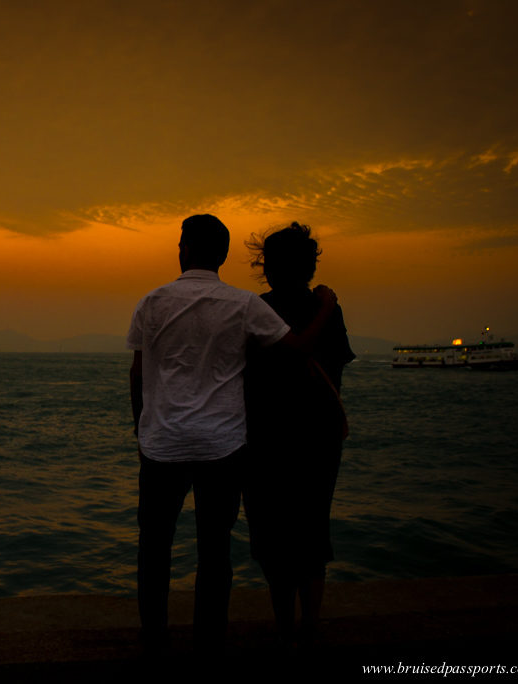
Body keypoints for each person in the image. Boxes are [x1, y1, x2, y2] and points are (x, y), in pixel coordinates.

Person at [127, 214, 338, 654]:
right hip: (222, 447)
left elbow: (137, 374)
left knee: (154, 548)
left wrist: (141, 429)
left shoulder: (152, 302)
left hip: (162, 444)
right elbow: (298, 348)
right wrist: (326, 308)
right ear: (223, 255)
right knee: (214, 550)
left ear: (182, 249)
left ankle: (154, 639)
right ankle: (209, 644)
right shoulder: (243, 305)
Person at [242, 222, 355, 651]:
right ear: (309, 266)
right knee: (312, 526)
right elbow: (337, 368)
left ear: (267, 266)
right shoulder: (326, 307)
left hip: (265, 435)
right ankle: (311, 624)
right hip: (317, 435)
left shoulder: (255, 309)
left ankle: (284, 626)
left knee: (273, 533)